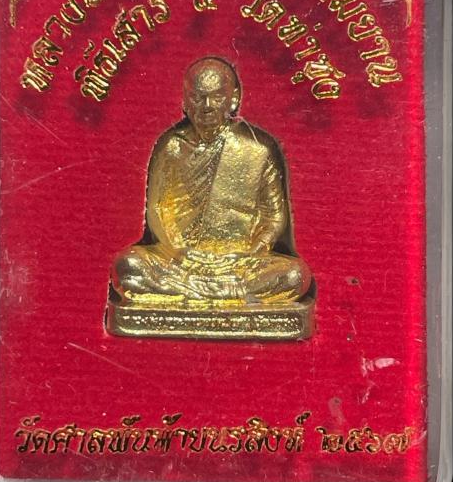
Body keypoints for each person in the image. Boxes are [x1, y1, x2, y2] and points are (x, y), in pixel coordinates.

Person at [110, 56, 312, 304]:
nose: (206, 106)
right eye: (197, 97)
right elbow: (157, 209)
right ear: (185, 101)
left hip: (238, 263)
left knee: (295, 275)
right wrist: (178, 253)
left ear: (233, 99)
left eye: (216, 97)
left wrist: (251, 252)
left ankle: (194, 293)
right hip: (181, 262)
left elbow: (274, 216)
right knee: (127, 266)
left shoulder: (258, 149)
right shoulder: (172, 147)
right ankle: (227, 293)